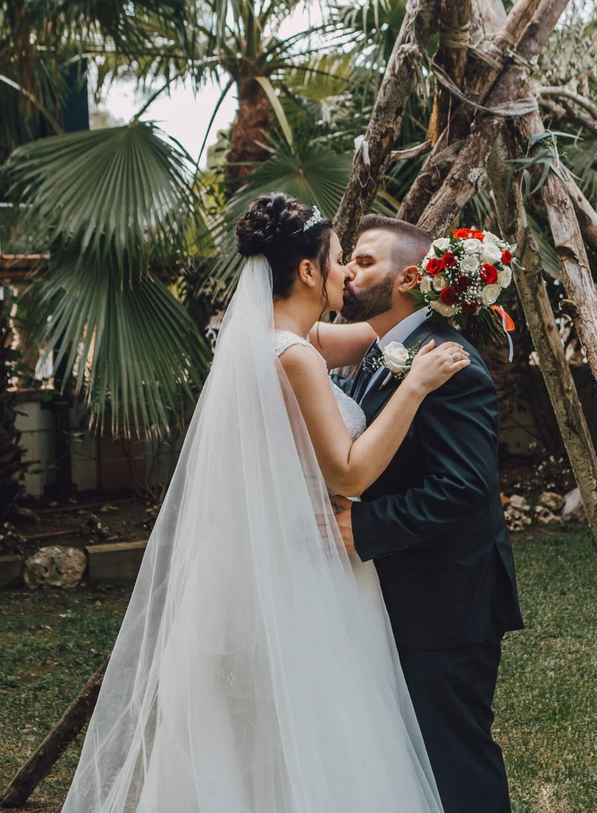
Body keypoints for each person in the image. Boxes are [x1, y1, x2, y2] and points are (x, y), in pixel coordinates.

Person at [59, 193, 470, 813]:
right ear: (307, 271)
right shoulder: (298, 356)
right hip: (305, 562)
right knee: (319, 723)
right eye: (338, 260)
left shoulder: (275, 340)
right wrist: (414, 387)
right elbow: (348, 469)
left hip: (247, 564)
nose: (346, 276)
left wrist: (446, 285)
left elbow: (373, 330)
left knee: (253, 731)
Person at [328, 215, 525, 813]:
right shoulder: (379, 349)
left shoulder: (450, 365)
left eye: (364, 262)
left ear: (410, 277)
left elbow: (463, 487)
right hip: (398, 590)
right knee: (406, 752)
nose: (350, 273)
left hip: (448, 599)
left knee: (452, 754)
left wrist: (360, 529)